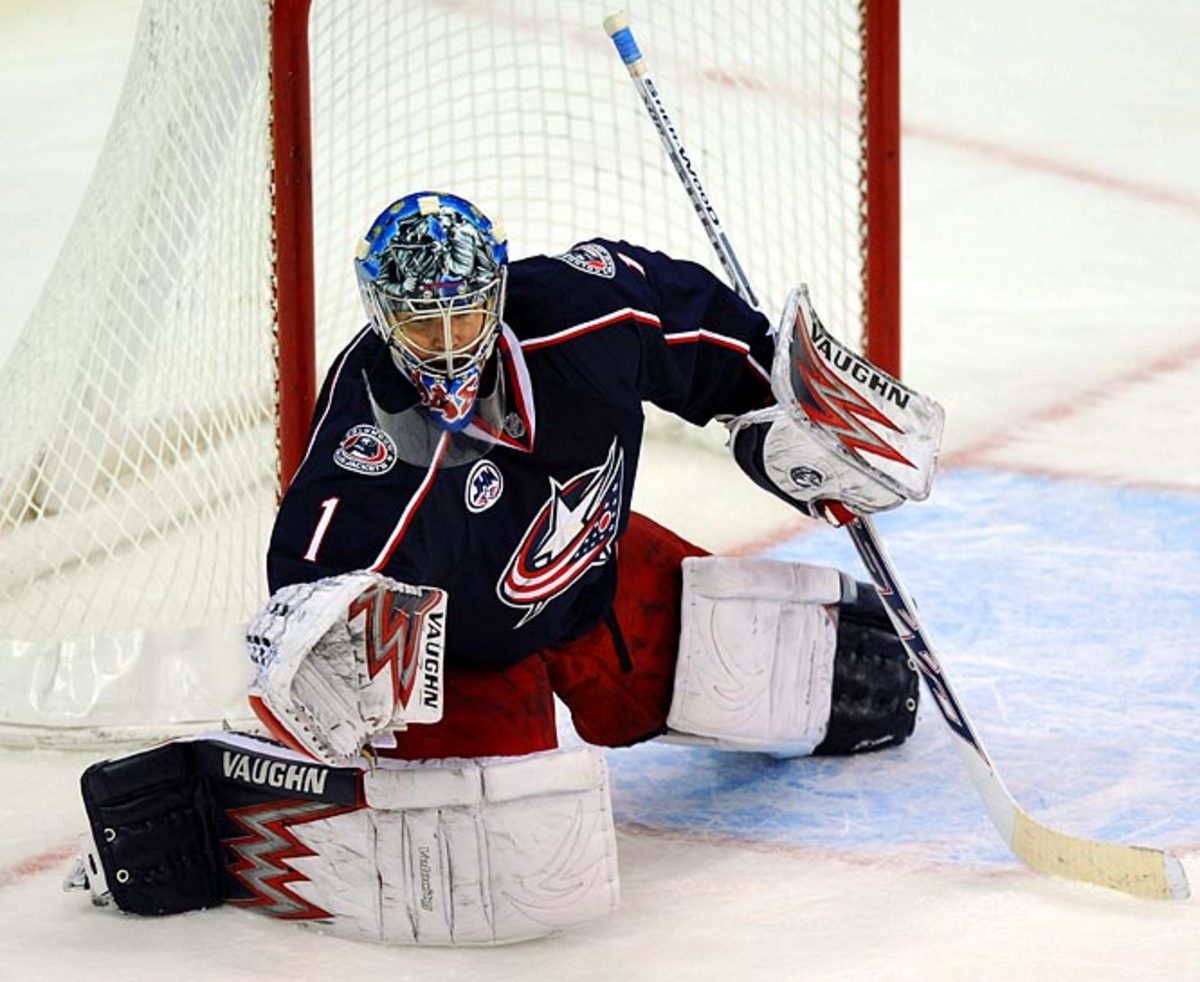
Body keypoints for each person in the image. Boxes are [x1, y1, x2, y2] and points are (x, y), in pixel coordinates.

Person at [66, 191, 921, 946]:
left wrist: (779, 409)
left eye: (464, 318)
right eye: (420, 325)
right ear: (381, 316)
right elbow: (309, 595)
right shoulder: (371, 444)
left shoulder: (585, 311)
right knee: (515, 867)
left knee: (792, 669)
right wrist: (334, 671)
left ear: (498, 296)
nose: (444, 348)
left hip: (598, 587)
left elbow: (686, 319)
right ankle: (235, 812)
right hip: (474, 662)